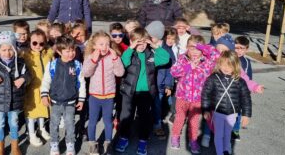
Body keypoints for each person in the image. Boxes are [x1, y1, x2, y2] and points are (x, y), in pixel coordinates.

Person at [115, 27, 170, 155]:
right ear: (132, 42)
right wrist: (130, 48)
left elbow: (165, 59)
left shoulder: (150, 55)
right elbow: (123, 63)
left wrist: (155, 46)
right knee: (126, 116)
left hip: (146, 93)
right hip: (130, 92)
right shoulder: (130, 54)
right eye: (138, 42)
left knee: (144, 118)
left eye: (144, 42)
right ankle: (124, 137)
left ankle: (143, 140)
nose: (141, 45)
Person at [170, 35, 220, 154]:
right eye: (191, 48)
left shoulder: (207, 62)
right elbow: (173, 72)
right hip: (182, 96)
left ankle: (193, 140)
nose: (195, 52)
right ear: (187, 48)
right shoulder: (183, 58)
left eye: (198, 49)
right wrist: (188, 67)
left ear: (202, 49)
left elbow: (218, 56)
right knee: (179, 118)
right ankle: (175, 137)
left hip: (197, 98)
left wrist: (201, 46)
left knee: (194, 121)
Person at [0, 31, 30, 155]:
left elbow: (28, 75)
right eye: (3, 50)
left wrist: (23, 79)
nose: (7, 52)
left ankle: (15, 147)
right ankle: (0, 147)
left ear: (14, 49)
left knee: (14, 123)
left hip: (14, 101)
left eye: (10, 49)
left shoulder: (20, 63)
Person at [40, 35, 86, 155]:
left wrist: (81, 99)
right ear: (59, 51)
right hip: (55, 101)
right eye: (67, 51)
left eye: (72, 50)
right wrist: (44, 95)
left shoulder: (77, 65)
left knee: (70, 125)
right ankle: (54, 145)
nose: (71, 53)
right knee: (54, 124)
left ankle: (70, 145)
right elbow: (46, 81)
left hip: (71, 102)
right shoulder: (52, 65)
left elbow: (81, 83)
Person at [82, 31, 125, 155]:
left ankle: (108, 144)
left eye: (107, 44)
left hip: (109, 96)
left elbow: (120, 73)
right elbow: (86, 73)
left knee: (108, 121)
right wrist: (94, 61)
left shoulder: (113, 57)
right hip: (94, 96)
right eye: (101, 44)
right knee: (92, 121)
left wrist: (116, 58)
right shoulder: (90, 57)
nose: (105, 47)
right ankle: (92, 145)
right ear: (94, 46)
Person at [201, 51, 252, 155]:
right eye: (223, 64)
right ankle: (220, 152)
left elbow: (246, 98)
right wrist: (205, 109)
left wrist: (246, 115)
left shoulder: (240, 81)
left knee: (228, 134)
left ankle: (227, 151)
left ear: (235, 66)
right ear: (219, 64)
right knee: (219, 134)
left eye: (229, 65)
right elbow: (205, 95)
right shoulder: (213, 78)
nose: (226, 67)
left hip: (232, 114)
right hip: (217, 112)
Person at [23, 29, 54, 147]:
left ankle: (41, 128)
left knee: (43, 110)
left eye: (41, 43)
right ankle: (31, 133)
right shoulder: (26, 55)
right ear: (29, 42)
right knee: (31, 113)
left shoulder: (48, 53)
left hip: (45, 88)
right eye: (34, 43)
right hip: (31, 88)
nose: (38, 46)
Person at [232, 36, 253, 141]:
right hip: (228, 90)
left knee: (238, 112)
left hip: (240, 92)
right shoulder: (229, 58)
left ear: (247, 49)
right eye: (237, 48)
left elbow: (249, 77)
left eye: (242, 48)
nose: (239, 51)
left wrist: (247, 91)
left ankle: (235, 130)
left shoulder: (247, 62)